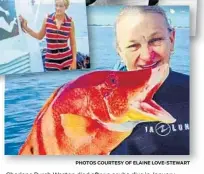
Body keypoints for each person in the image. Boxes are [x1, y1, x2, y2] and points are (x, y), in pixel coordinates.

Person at [111, 6, 189, 155]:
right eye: (133, 46)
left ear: (171, 40)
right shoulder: (96, 102)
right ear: (120, 51)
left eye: (156, 40)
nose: (147, 55)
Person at [19, 0, 77, 71]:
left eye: (61, 6)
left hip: (66, 60)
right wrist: (25, 27)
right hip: (51, 61)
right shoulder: (47, 19)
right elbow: (39, 36)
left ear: (66, 7)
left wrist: (74, 61)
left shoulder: (70, 22)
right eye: (56, 5)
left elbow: (73, 44)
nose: (58, 8)